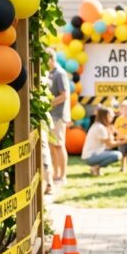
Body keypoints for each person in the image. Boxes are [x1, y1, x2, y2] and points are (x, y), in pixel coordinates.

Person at [47, 48, 71, 185]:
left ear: (52, 58)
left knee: (58, 145)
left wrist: (47, 103)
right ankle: (55, 174)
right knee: (52, 146)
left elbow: (64, 95)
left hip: (58, 116)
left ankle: (62, 176)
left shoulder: (60, 74)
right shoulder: (49, 73)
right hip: (51, 116)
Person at [81, 106, 121, 175]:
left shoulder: (98, 125)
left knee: (111, 153)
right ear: (105, 116)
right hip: (90, 156)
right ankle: (96, 167)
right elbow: (110, 145)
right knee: (117, 155)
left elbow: (108, 146)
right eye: (110, 116)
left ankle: (95, 168)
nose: (112, 118)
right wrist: (125, 141)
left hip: (91, 154)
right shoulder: (100, 128)